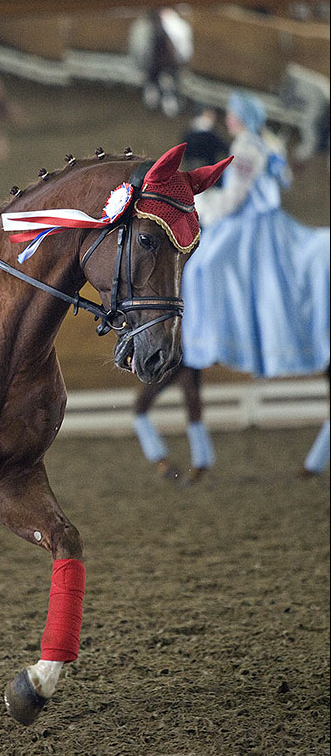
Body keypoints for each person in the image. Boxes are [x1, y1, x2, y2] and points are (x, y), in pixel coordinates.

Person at [133, 90, 330, 481]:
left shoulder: (244, 147)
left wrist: (195, 205)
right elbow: (283, 179)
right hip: (269, 219)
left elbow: (234, 201)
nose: (230, 120)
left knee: (202, 268)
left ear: (241, 118)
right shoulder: (267, 141)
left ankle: (207, 335)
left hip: (251, 226)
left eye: (233, 115)